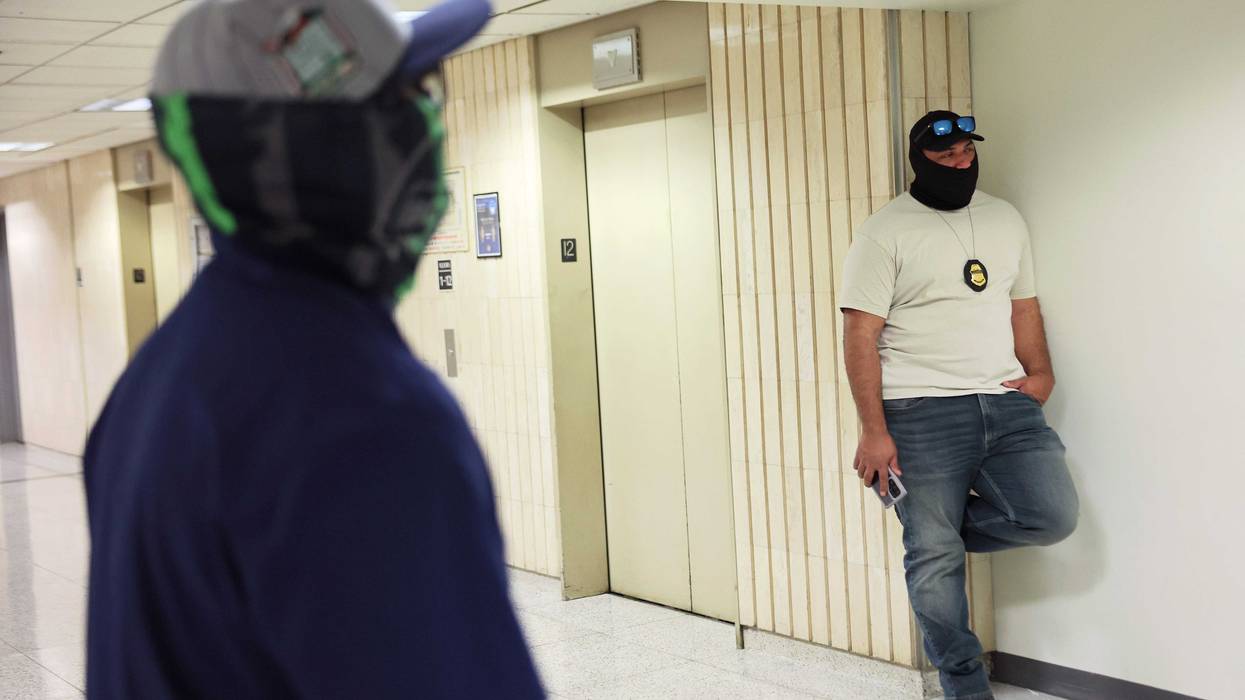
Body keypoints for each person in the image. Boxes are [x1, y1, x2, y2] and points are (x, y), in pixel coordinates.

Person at [82, 0, 545, 697]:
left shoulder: (160, 374)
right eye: (408, 101)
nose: (430, 126)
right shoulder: (364, 421)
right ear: (331, 147)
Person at [838, 111, 1079, 700]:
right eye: (945, 158)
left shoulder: (1003, 217)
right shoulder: (883, 232)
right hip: (919, 412)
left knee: (1051, 516)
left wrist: (1042, 372)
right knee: (934, 558)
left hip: (1004, 401)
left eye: (967, 152)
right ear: (920, 161)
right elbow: (859, 335)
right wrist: (874, 430)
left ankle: (934, 533)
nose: (960, 163)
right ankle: (966, 689)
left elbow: (1022, 305)